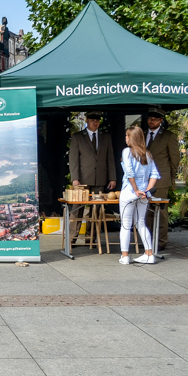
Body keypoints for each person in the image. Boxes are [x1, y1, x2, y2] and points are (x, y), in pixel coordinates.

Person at [68, 111, 116, 239]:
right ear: (87, 120)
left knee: (97, 209)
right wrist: (75, 178)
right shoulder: (78, 137)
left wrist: (112, 177)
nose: (95, 122)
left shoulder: (105, 137)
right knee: (77, 208)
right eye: (92, 120)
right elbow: (73, 159)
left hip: (100, 178)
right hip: (82, 178)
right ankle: (72, 237)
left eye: (97, 120)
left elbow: (110, 158)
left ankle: (91, 237)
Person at [118, 126, 160, 265]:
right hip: (144, 195)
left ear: (131, 138)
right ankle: (149, 254)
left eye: (126, 136)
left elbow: (130, 173)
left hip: (129, 192)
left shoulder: (127, 152)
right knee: (141, 223)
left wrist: (136, 190)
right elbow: (154, 174)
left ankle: (125, 256)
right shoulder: (147, 154)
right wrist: (146, 191)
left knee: (125, 225)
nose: (125, 138)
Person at [144, 108, 179, 254]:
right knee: (146, 212)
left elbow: (175, 159)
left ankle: (161, 241)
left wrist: (169, 177)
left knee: (161, 212)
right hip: (144, 179)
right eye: (150, 118)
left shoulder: (168, 136)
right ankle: (148, 239)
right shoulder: (142, 135)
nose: (151, 121)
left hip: (160, 179)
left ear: (161, 121)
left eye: (155, 119)